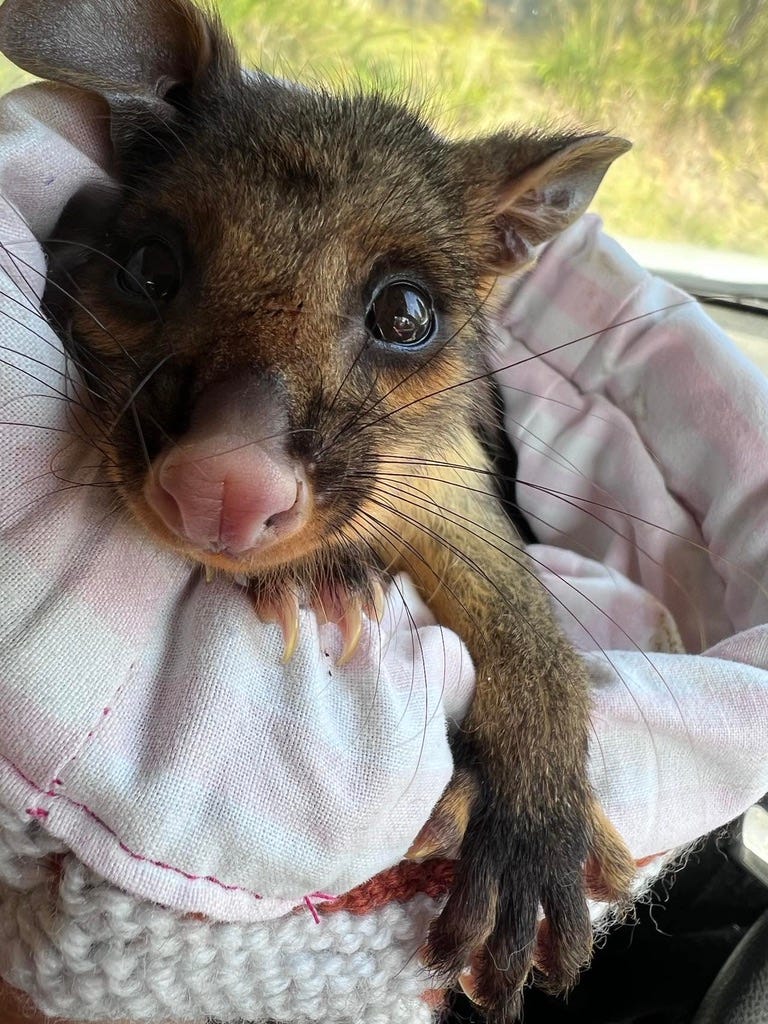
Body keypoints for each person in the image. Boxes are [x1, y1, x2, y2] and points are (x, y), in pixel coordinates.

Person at [0, 81, 766, 1024]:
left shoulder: (435, 455)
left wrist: (534, 796)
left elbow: (512, 617)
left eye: (403, 318)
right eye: (158, 273)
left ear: (506, 248)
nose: (230, 465)